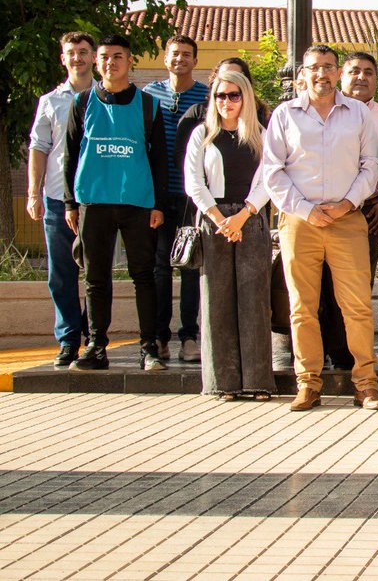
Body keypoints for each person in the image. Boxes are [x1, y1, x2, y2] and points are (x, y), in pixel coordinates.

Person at [262, 45, 378, 412]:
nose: (322, 74)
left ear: (337, 73)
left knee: (357, 306)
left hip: (347, 219)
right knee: (302, 307)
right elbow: (272, 171)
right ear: (303, 73)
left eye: (328, 67)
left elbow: (371, 165)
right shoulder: (285, 115)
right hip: (300, 222)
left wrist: (348, 204)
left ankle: (366, 384)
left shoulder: (358, 113)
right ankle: (308, 384)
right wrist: (305, 210)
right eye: (314, 68)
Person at [63, 34, 167, 371]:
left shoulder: (148, 104)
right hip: (94, 201)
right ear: (97, 61)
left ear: (130, 61)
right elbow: (70, 155)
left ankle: (149, 347)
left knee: (144, 275)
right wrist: (70, 203)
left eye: (118, 56)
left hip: (137, 202)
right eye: (105, 56)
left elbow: (160, 159)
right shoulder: (82, 103)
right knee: (96, 278)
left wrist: (159, 204)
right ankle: (96, 346)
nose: (111, 62)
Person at [184, 70, 274, 400]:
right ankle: (223, 383)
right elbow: (193, 182)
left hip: (250, 219)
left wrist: (243, 215)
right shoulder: (202, 134)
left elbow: (269, 179)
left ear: (246, 98)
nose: (226, 102)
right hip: (214, 221)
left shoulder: (261, 135)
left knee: (254, 301)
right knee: (216, 302)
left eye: (234, 95)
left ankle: (257, 382)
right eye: (220, 96)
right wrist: (220, 218)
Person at [314, 52, 378, 371]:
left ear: (377, 79)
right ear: (339, 75)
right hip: (320, 213)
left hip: (369, 213)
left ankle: (349, 353)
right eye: (354, 71)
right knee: (320, 285)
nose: (361, 77)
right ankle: (317, 350)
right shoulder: (320, 111)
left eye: (368, 72)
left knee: (359, 288)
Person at [27, 32, 96, 367]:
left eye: (83, 52)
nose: (77, 58)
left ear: (93, 57)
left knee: (96, 273)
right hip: (56, 198)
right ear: (63, 58)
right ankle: (69, 339)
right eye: (71, 53)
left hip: (97, 200)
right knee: (61, 274)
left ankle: (94, 336)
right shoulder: (50, 101)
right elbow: (38, 149)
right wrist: (33, 193)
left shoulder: (105, 98)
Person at [143, 34, 209, 364]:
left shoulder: (207, 97)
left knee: (190, 266)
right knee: (158, 267)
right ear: (165, 58)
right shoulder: (148, 95)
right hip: (155, 195)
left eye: (187, 54)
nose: (180, 59)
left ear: (195, 61)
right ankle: (158, 337)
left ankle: (189, 336)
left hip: (191, 196)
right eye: (175, 53)